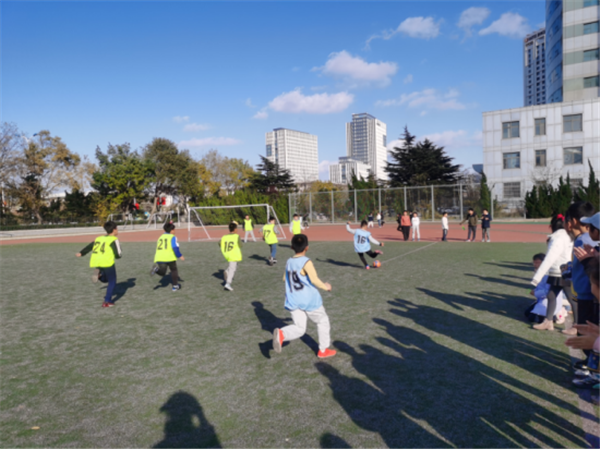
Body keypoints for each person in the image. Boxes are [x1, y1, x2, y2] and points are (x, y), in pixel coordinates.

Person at [272, 234, 336, 359]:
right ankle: (323, 350)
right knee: (322, 321)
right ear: (307, 247)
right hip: (308, 300)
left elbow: (284, 278)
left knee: (300, 328)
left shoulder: (289, 261)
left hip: (293, 299)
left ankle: (282, 334)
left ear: (292, 247)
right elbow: (314, 279)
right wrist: (326, 286)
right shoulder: (306, 261)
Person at [565, 202, 598, 368]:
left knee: (586, 329)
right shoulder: (586, 239)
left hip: (588, 293)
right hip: (590, 292)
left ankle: (592, 364)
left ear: (573, 221)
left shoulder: (583, 240)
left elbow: (590, 267)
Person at [531, 214, 573, 331]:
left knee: (571, 298)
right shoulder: (566, 236)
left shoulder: (558, 238)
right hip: (560, 271)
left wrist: (537, 278)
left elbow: (550, 258)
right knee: (551, 295)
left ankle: (577, 325)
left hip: (560, 272)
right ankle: (548, 322)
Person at [76, 220, 122, 307]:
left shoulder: (99, 238)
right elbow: (118, 254)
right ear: (114, 229)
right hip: (107, 262)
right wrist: (118, 256)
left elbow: (90, 246)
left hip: (97, 261)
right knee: (112, 281)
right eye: (117, 228)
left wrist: (81, 253)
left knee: (106, 279)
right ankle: (107, 301)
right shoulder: (113, 239)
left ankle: (99, 275)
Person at [525, 253, 567, 324]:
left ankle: (560, 312)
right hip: (542, 299)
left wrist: (535, 293)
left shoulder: (549, 274)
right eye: (534, 262)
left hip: (549, 300)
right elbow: (540, 287)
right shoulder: (539, 272)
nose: (535, 265)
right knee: (527, 313)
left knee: (536, 319)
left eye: (537, 263)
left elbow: (547, 291)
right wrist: (532, 291)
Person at [150, 221, 185, 292]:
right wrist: (179, 255)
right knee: (174, 270)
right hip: (169, 256)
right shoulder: (172, 237)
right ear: (171, 230)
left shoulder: (160, 237)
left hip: (160, 257)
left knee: (162, 272)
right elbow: (174, 247)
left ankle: (156, 269)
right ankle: (175, 286)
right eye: (174, 229)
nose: (175, 231)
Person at [220, 221, 243, 291]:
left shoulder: (224, 237)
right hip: (234, 254)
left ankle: (227, 271)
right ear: (235, 229)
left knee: (233, 267)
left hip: (228, 254)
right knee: (232, 269)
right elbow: (241, 245)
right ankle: (228, 283)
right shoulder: (236, 236)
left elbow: (219, 243)